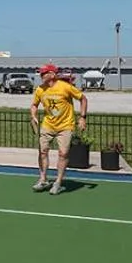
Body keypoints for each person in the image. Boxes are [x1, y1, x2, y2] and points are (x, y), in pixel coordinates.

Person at [31, 61, 87, 194]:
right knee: (43, 152)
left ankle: (58, 182)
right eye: (41, 73)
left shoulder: (65, 87)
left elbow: (83, 99)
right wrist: (33, 115)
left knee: (63, 154)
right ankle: (43, 179)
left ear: (52, 74)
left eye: (44, 73)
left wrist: (82, 117)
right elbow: (34, 105)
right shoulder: (40, 89)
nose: (42, 75)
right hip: (47, 125)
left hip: (65, 126)